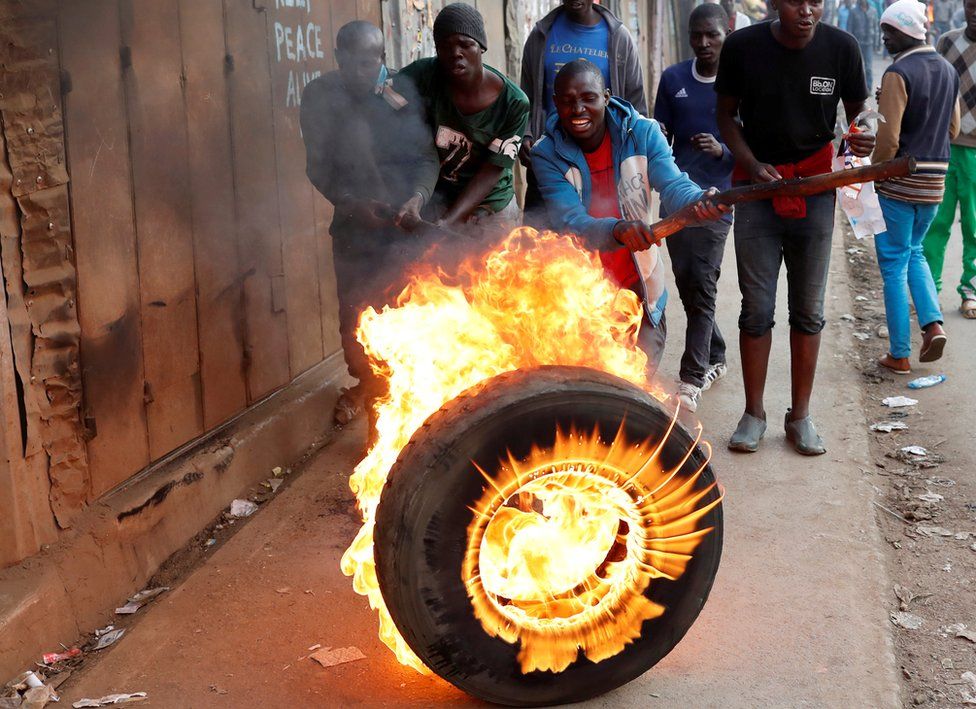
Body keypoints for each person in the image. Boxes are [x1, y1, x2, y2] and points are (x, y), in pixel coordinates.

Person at [715, 0, 875, 455]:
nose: (806, 11)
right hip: (756, 192)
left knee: (808, 310)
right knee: (756, 308)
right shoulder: (742, 48)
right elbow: (725, 116)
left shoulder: (842, 47)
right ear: (772, 4)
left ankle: (800, 416)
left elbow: (860, 112)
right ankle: (753, 413)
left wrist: (861, 132)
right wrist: (751, 163)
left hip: (817, 190)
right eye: (794, 1)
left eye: (815, 2)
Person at [531, 60, 726, 375]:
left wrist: (698, 201)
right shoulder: (546, 153)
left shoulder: (643, 132)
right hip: (579, 298)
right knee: (589, 401)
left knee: (634, 391)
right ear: (556, 104)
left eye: (588, 97)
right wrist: (619, 229)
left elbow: (673, 184)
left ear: (606, 97)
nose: (577, 108)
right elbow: (572, 223)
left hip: (640, 291)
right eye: (567, 101)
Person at [300, 21, 440, 427]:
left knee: (409, 309)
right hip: (354, 226)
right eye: (353, 64)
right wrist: (349, 203)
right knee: (356, 316)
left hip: (406, 225)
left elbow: (426, 158)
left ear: (382, 58)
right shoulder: (319, 96)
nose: (363, 72)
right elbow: (317, 166)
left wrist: (417, 199)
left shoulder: (403, 92)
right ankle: (367, 387)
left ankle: (412, 398)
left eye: (371, 63)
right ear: (338, 58)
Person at [653, 3, 736, 412]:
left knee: (702, 283)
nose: (704, 43)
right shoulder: (673, 79)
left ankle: (691, 378)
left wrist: (723, 151)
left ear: (727, 33)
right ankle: (716, 354)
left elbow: (753, 149)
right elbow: (658, 140)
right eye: (697, 36)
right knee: (688, 282)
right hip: (676, 199)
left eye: (712, 35)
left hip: (719, 200)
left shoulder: (741, 83)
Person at [872, 0, 960, 373]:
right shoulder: (946, 69)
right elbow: (952, 129)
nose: (884, 39)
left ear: (902, 31)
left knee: (893, 262)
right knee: (915, 252)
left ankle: (900, 353)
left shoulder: (898, 72)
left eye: (887, 32)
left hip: (901, 184)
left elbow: (889, 139)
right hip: (935, 182)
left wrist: (872, 172)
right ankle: (933, 324)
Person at [400, 3, 529, 230]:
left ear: (481, 47)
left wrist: (450, 221)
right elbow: (381, 114)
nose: (455, 53)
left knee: (500, 265)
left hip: (491, 209)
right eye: (445, 46)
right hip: (438, 199)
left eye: (465, 44)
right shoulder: (422, 76)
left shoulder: (513, 103)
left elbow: (491, 171)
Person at [519, 0, 646, 225]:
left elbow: (634, 101)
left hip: (602, 159)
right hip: (549, 156)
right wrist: (527, 134)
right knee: (539, 245)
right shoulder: (541, 35)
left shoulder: (618, 38)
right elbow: (527, 96)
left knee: (598, 239)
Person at [924, 0, 976, 320]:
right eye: (971, 6)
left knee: (974, 226)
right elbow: (933, 85)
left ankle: (971, 292)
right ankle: (927, 292)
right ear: (964, 7)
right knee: (935, 223)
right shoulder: (947, 42)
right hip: (943, 146)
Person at [848, 0, 877, 88]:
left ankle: (868, 87)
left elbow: (876, 28)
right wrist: (849, 44)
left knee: (868, 67)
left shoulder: (873, 11)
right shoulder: (853, 11)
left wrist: (877, 44)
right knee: (855, 66)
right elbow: (849, 28)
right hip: (857, 43)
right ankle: (854, 87)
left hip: (869, 43)